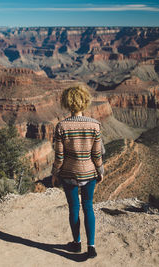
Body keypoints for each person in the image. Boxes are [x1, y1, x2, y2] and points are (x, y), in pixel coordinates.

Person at [51, 85, 105, 259]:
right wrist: (100, 170)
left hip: (68, 174)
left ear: (67, 103)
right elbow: (97, 154)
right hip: (89, 174)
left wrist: (54, 173)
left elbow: (59, 156)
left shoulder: (61, 126)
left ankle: (76, 243)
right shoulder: (95, 125)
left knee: (74, 208)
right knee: (88, 207)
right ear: (85, 102)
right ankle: (91, 247)